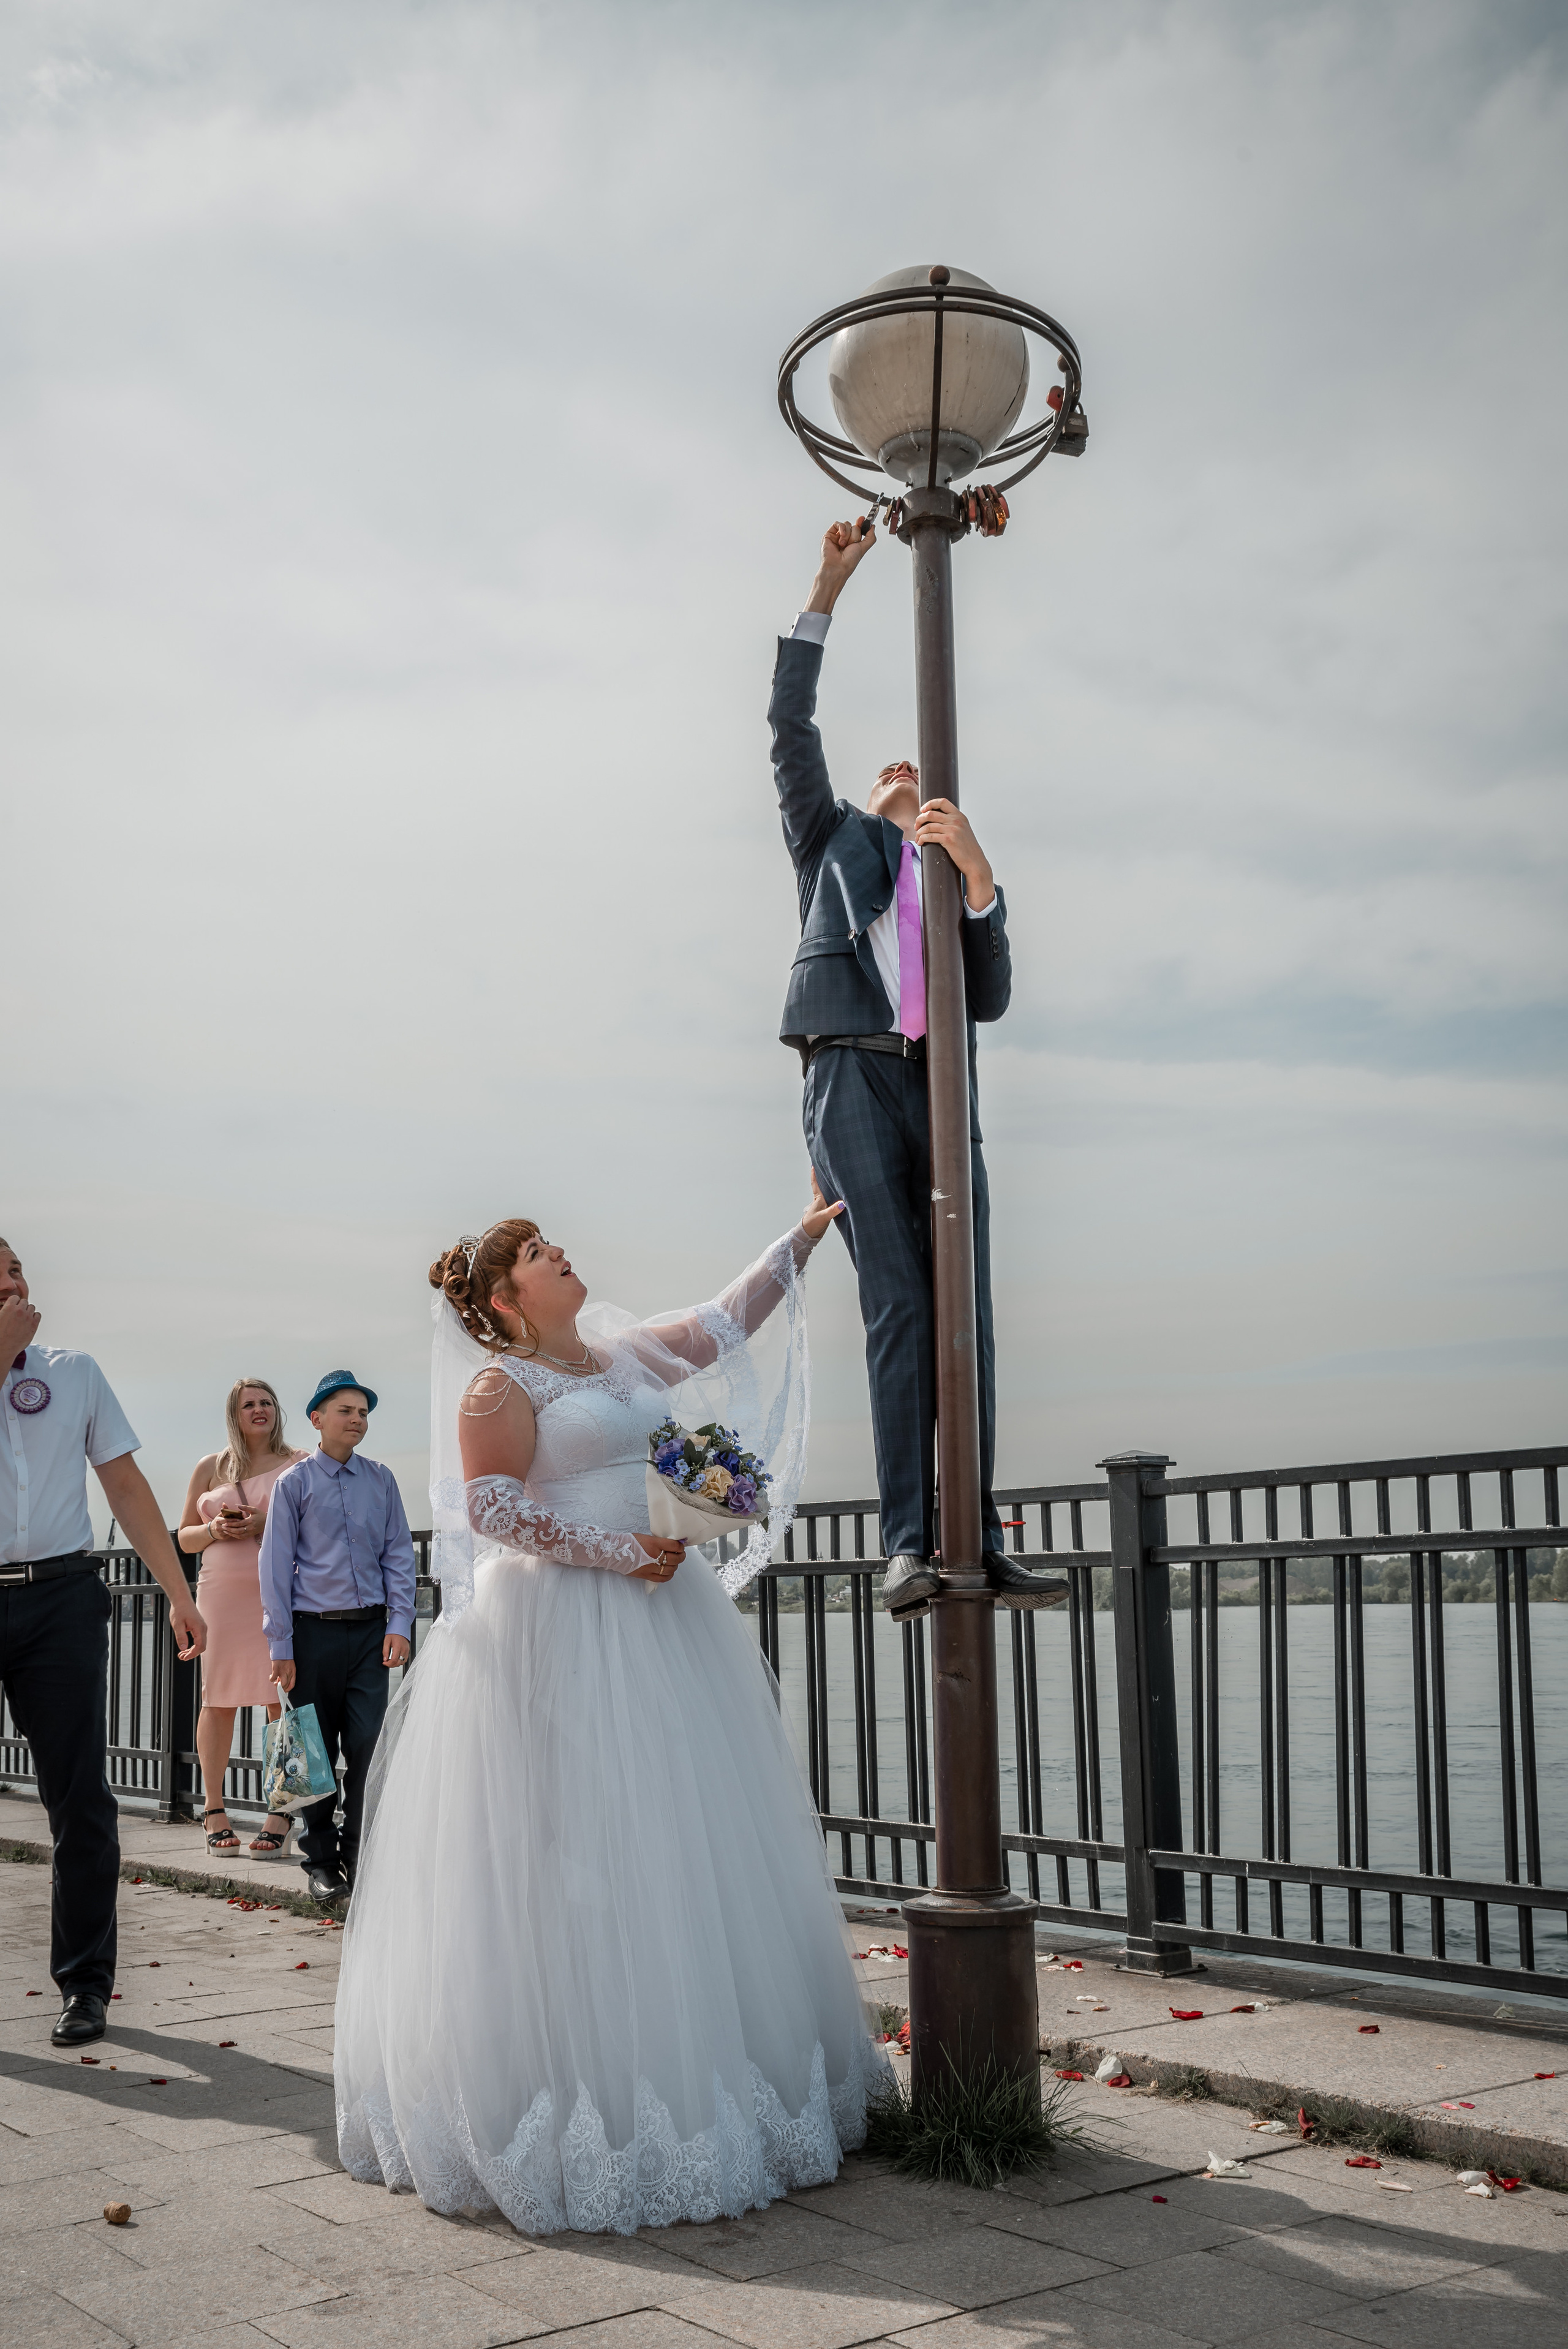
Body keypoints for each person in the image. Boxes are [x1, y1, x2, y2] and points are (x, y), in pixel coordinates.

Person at [332, 1186, 888, 2236]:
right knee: (575, 1843)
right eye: (542, 1254)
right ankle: (575, 2095)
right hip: (560, 1624)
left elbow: (725, 1319)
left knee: (681, 1829)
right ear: (504, 1298)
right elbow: (491, 1508)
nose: (564, 1255)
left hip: (661, 1614)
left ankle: (703, 2069)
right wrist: (619, 1548)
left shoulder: (620, 1356)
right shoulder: (501, 1387)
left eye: (555, 1244)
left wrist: (804, 1238)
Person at [769, 518, 1066, 1623]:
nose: (905, 771)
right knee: (899, 1302)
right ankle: (906, 1541)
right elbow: (787, 729)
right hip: (850, 1077)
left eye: (916, 773)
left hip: (944, 1097)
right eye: (890, 771)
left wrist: (980, 873)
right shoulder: (834, 845)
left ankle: (974, 1531)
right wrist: (826, 589)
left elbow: (984, 996)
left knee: (968, 1315)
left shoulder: (944, 874)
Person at [0, 1234, 205, 2049]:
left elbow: (123, 1481)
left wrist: (179, 1592)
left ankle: (85, 1983)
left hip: (61, 1596)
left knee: (82, 1799)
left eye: (16, 1268)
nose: (14, 1282)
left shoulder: (74, 1370)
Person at [258, 1373, 415, 1905]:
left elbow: (398, 1554)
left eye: (364, 1412)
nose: (357, 1420)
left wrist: (399, 1624)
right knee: (315, 1753)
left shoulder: (382, 1479)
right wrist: (281, 1645)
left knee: (370, 1747)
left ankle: (359, 1855)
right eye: (346, 1410)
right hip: (312, 1635)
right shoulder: (294, 1483)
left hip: (372, 1633)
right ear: (317, 1418)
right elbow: (275, 1566)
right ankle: (321, 1862)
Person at [178, 1379, 304, 1858]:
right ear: (234, 1413)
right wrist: (214, 1527)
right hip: (222, 1596)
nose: (259, 1409)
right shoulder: (211, 1467)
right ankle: (213, 1811)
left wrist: (263, 1523)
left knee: (283, 1700)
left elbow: (320, 1523)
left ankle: (282, 1810)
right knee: (219, 1699)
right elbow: (185, 1538)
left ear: (278, 1410)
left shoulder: (300, 1461)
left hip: (282, 1594)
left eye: (267, 1402)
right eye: (249, 1403)